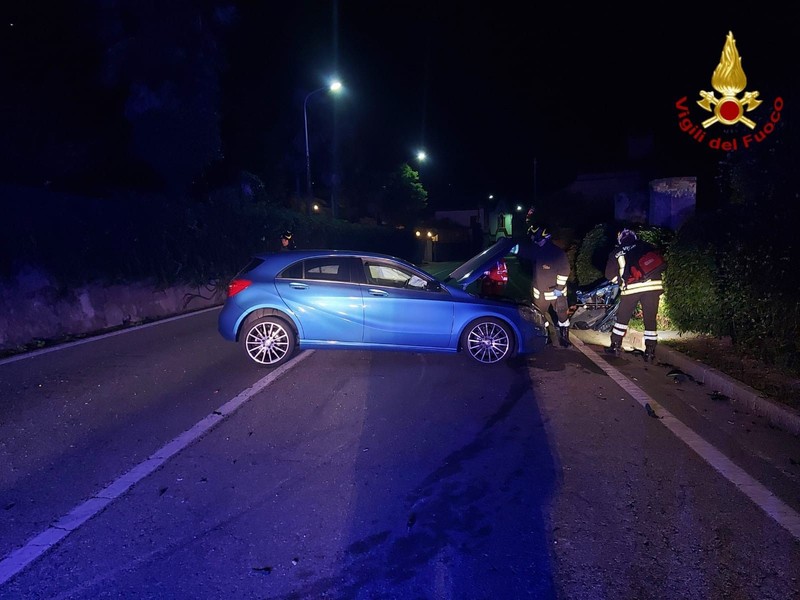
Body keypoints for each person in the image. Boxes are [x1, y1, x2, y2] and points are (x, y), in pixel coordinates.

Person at [604, 228, 666, 362]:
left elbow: (609, 275)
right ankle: (650, 351)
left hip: (631, 288)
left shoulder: (616, 253)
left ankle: (615, 345)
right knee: (650, 319)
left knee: (622, 318)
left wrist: (621, 282)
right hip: (653, 287)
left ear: (620, 240)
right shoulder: (647, 246)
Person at [525, 226, 572, 348]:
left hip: (556, 293)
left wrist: (559, 288)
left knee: (563, 316)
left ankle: (564, 339)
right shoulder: (536, 250)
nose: (533, 239)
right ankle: (546, 338)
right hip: (540, 293)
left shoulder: (556, 252)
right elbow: (525, 253)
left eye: (535, 236)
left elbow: (565, 270)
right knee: (540, 317)